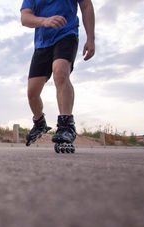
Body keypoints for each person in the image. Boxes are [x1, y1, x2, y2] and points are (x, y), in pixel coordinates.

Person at [21, 0, 95, 150]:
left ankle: (66, 126)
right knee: (32, 93)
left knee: (60, 72)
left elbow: (86, 5)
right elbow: (25, 18)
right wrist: (44, 21)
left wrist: (90, 38)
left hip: (67, 34)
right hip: (43, 43)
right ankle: (39, 123)